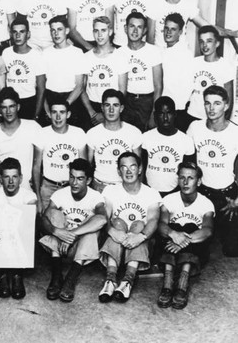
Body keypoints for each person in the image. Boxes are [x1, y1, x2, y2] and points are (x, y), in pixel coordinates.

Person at [40, 158, 107, 302]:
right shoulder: (60, 194)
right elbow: (44, 219)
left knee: (92, 226)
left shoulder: (96, 197)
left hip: (81, 249)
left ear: (88, 181)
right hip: (59, 246)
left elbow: (102, 219)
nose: (74, 183)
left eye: (80, 179)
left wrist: (72, 234)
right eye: (72, 177)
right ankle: (56, 277)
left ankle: (71, 278)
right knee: (53, 214)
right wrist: (56, 231)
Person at [98, 152, 161, 303]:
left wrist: (140, 237)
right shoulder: (110, 191)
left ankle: (127, 280)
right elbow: (104, 217)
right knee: (117, 222)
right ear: (119, 171)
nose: (128, 171)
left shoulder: (151, 193)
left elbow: (153, 220)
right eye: (124, 167)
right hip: (117, 239)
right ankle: (111, 280)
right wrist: (112, 231)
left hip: (139, 241)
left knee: (139, 224)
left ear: (140, 169)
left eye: (133, 167)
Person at [187, 86, 238, 257]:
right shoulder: (195, 128)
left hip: (227, 197)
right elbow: (187, 163)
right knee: (195, 245)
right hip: (202, 193)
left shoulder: (235, 132)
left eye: (217, 103)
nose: (211, 108)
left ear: (226, 105)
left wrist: (237, 200)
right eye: (207, 103)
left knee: (231, 250)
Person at [156, 162, 214, 310]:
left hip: (193, 250)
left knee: (190, 227)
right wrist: (174, 234)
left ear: (199, 181)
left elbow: (207, 230)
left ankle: (183, 282)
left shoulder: (206, 203)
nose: (186, 182)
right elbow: (161, 225)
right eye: (182, 177)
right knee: (174, 227)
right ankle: (167, 284)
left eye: (190, 178)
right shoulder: (168, 199)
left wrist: (183, 240)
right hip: (169, 247)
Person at [0, 157, 37, 299]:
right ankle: (3, 274)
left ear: (21, 178)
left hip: (18, 236)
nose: (11, 181)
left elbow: (27, 220)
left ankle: (17, 275)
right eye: (7, 177)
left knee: (23, 216)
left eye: (15, 177)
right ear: (0, 179)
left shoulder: (29, 196)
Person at [33, 98, 87, 214]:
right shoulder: (42, 133)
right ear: (49, 114)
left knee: (72, 223)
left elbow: (84, 167)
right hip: (48, 187)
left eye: (62, 112)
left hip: (72, 187)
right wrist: (38, 196)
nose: (58, 117)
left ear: (68, 114)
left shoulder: (78, 133)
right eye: (54, 112)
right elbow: (36, 167)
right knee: (46, 224)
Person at [0, 87, 42, 191]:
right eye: (4, 107)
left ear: (18, 107)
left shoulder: (33, 127)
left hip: (27, 190)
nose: (8, 111)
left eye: (12, 106)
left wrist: (38, 177)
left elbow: (43, 158)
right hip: (2, 191)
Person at [86, 89, 142, 192]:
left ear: (121, 108)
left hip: (125, 186)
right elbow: (87, 166)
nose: (111, 110)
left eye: (115, 105)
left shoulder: (134, 132)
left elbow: (139, 167)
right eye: (107, 105)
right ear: (102, 108)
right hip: (99, 186)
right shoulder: (92, 133)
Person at [81, 16, 129, 130]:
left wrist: (106, 112)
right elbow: (81, 88)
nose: (99, 34)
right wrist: (92, 113)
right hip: (91, 109)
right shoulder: (86, 57)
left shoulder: (120, 57)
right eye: (96, 31)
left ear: (110, 32)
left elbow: (122, 91)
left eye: (103, 30)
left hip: (112, 108)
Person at [141, 97, 195, 196]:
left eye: (169, 113)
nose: (165, 118)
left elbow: (188, 174)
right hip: (149, 192)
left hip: (175, 193)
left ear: (175, 114)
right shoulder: (146, 137)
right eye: (161, 114)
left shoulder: (186, 141)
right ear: (155, 116)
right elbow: (142, 167)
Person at [119, 12, 163, 131]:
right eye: (132, 26)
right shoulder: (119, 53)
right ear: (125, 28)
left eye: (139, 27)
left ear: (144, 31)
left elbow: (158, 86)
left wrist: (154, 113)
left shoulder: (153, 51)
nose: (135, 31)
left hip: (147, 103)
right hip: (127, 102)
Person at [42, 15, 86, 127]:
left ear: (66, 31)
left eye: (59, 29)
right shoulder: (45, 53)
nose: (56, 33)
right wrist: (47, 106)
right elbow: (41, 84)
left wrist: (66, 105)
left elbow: (80, 85)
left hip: (71, 100)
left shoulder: (77, 53)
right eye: (53, 30)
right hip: (50, 98)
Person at [1, 17, 46, 120]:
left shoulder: (36, 55)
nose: (18, 35)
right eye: (15, 32)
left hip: (29, 101)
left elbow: (41, 87)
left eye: (22, 32)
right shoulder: (6, 53)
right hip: (10, 102)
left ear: (28, 34)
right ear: (11, 34)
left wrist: (36, 114)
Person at [187, 25, 235, 121]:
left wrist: (223, 122)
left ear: (217, 43)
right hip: (192, 114)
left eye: (209, 41)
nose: (204, 45)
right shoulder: (194, 62)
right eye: (201, 42)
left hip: (213, 118)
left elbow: (228, 101)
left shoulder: (225, 65)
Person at [160, 13, 194, 132]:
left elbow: (188, 85)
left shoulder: (184, 54)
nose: (168, 32)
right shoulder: (164, 51)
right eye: (166, 28)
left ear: (180, 32)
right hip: (164, 107)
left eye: (173, 29)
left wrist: (178, 110)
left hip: (177, 111)